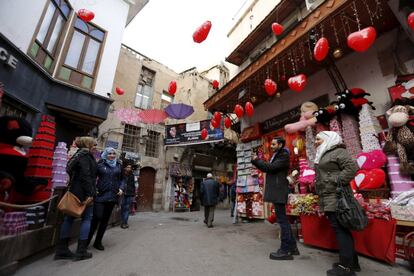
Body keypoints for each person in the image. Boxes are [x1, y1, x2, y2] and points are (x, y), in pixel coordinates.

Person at [314, 131, 359, 276]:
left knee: (340, 229)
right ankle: (352, 263)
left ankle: (346, 267)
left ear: (328, 139)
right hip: (328, 195)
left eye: (318, 139)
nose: (315, 142)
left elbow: (351, 168)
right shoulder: (324, 152)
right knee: (342, 229)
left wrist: (335, 181)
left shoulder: (338, 151)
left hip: (336, 196)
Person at [251, 137, 298, 260]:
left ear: (280, 145)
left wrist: (257, 160)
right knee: (283, 220)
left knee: (282, 221)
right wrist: (257, 161)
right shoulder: (277, 155)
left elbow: (270, 168)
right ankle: (292, 247)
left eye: (273, 144)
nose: (271, 146)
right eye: (271, 144)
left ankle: (285, 250)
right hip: (278, 191)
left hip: (279, 191)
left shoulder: (283, 155)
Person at [54, 137, 97, 261]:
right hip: (83, 193)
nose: (95, 147)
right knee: (87, 219)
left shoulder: (78, 155)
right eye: (93, 144)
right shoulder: (85, 156)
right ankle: (81, 251)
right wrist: (90, 194)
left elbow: (69, 169)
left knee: (68, 219)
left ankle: (62, 249)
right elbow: (86, 176)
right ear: (87, 144)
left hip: (74, 191)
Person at [88, 147, 124, 251]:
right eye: (109, 153)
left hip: (113, 196)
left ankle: (98, 242)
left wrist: (121, 188)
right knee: (97, 217)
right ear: (105, 154)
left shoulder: (118, 165)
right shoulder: (100, 164)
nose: (112, 155)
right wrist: (94, 189)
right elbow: (92, 178)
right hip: (100, 196)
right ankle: (85, 242)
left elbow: (122, 179)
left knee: (104, 221)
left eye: (113, 153)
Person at [120, 163, 136, 229]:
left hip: (130, 194)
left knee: (126, 208)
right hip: (123, 193)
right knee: (122, 208)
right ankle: (122, 221)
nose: (129, 168)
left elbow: (133, 186)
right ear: (125, 168)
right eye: (127, 167)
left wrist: (133, 193)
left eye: (130, 167)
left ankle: (124, 223)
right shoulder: (122, 175)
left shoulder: (132, 175)